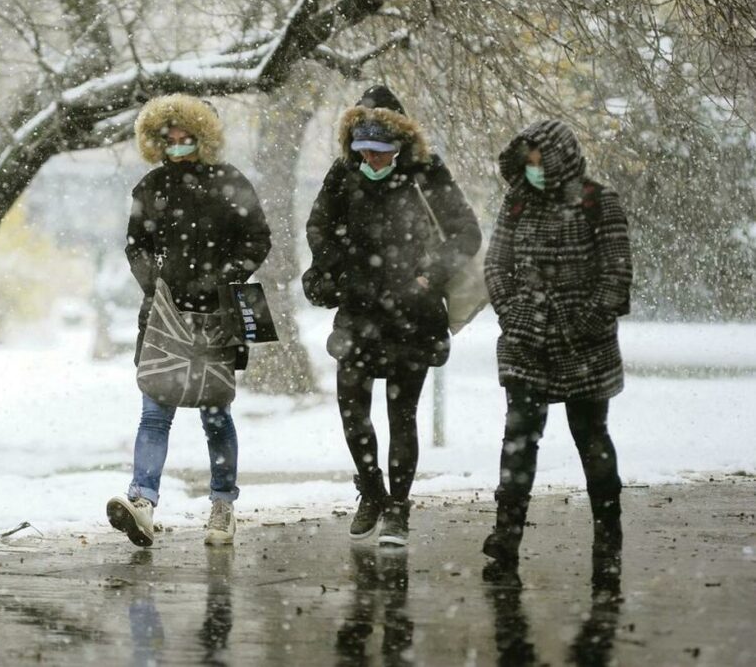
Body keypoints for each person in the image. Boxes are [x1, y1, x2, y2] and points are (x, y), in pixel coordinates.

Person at [303, 85, 481, 546]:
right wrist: (335, 270)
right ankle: (372, 490)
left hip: (412, 315)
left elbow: (465, 232)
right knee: (351, 410)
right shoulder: (343, 174)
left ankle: (398, 511)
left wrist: (428, 277)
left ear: (402, 145)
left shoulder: (426, 173)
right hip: (358, 312)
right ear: (353, 145)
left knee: (402, 415)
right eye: (365, 151)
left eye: (384, 152)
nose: (375, 161)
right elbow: (318, 225)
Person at [107, 93, 272, 548]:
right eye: (170, 139)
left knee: (215, 413)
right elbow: (135, 245)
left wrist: (227, 276)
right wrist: (155, 283)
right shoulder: (150, 188)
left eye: (186, 138)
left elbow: (258, 238)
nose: (178, 146)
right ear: (157, 142)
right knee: (154, 410)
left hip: (218, 315)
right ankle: (141, 500)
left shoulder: (231, 183)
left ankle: (222, 505)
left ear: (204, 139)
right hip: (164, 315)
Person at [481, 119, 633, 567]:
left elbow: (617, 273)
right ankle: (506, 537)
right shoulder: (517, 201)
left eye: (538, 158)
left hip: (584, 346)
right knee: (518, 438)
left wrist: (585, 320)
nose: (533, 167)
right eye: (527, 160)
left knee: (591, 436)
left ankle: (608, 537)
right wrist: (513, 312)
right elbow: (497, 264)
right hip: (526, 341)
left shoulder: (597, 200)